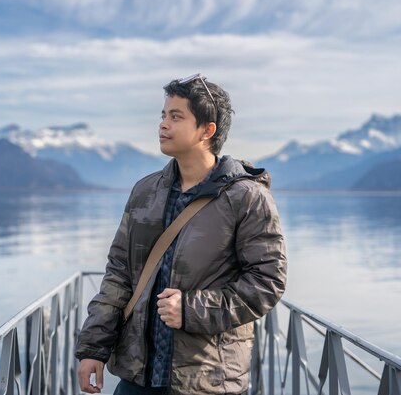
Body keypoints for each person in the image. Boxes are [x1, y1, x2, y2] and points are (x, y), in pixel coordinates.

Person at [75, 73, 287, 395]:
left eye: (176, 117)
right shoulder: (145, 191)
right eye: (163, 115)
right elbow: (119, 273)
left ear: (207, 130)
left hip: (206, 379)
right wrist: (94, 348)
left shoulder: (247, 198)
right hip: (137, 375)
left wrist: (190, 310)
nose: (163, 124)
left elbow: (267, 282)